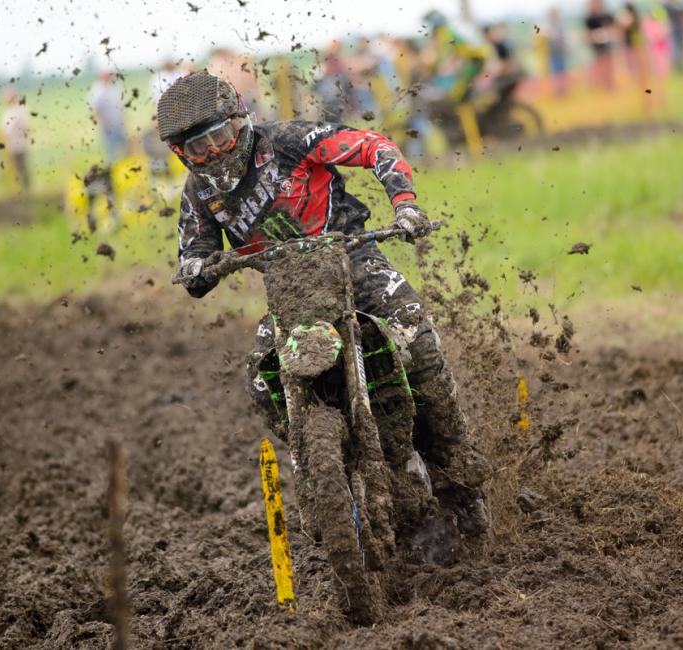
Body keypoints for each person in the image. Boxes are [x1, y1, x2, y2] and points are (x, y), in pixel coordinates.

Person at [157, 71, 491, 539]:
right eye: (197, 148)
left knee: (416, 337)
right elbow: (194, 255)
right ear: (181, 154)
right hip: (287, 289)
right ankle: (318, 477)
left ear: (240, 120)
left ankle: (460, 466)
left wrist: (406, 205)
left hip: (352, 258)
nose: (212, 152)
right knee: (259, 381)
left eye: (219, 136)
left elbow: (374, 146)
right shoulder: (200, 194)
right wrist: (195, 266)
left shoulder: (290, 140)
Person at [88, 70, 127, 166]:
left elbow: (122, 106)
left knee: (123, 148)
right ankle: (112, 170)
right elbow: (94, 109)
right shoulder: (97, 90)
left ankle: (122, 168)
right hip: (108, 126)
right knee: (111, 151)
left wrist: (124, 119)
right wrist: (103, 122)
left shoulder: (116, 87)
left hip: (119, 123)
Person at [0, 89, 31, 191]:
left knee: (19, 168)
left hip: (15, 144)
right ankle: (24, 188)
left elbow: (6, 131)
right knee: (22, 168)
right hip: (21, 143)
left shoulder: (13, 112)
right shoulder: (21, 109)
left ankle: (22, 189)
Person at [585, 0, 617, 91]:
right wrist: (595, 36)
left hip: (607, 43)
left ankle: (610, 84)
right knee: (601, 65)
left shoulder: (606, 16)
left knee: (609, 64)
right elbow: (588, 34)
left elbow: (613, 28)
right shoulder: (590, 19)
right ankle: (603, 85)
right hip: (597, 46)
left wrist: (609, 33)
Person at [546, 8, 571, 97]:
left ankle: (564, 91)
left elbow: (564, 37)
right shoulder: (547, 26)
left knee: (562, 72)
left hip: (561, 52)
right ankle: (558, 92)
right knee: (556, 73)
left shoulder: (561, 25)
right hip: (553, 53)